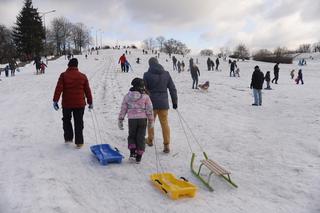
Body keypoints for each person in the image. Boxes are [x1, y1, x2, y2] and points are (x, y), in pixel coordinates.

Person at [52, 58, 93, 149]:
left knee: (66, 120)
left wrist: (55, 100)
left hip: (67, 103)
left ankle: (68, 138)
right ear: (77, 66)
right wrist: (90, 102)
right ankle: (79, 142)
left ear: (68, 65)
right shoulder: (83, 76)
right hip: (79, 104)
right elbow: (87, 90)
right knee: (78, 122)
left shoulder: (63, 75)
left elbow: (58, 89)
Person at [143, 57, 178, 153]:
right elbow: (172, 88)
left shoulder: (147, 75)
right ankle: (166, 145)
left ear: (150, 64)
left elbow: (144, 90)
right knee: (165, 123)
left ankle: (150, 140)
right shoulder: (166, 74)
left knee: (151, 122)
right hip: (163, 104)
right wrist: (175, 102)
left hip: (151, 103)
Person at [118, 78, 154, 163]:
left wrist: (121, 119)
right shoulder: (146, 96)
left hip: (132, 120)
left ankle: (132, 152)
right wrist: (151, 120)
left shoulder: (127, 96)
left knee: (132, 135)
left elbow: (124, 108)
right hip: (142, 119)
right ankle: (139, 156)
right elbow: (149, 109)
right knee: (141, 137)